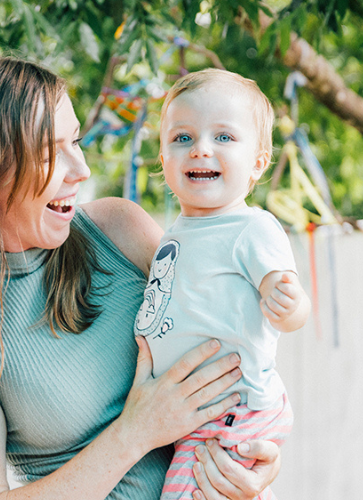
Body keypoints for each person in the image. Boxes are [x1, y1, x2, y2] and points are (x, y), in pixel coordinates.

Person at [0, 56, 283, 500]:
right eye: (47, 153)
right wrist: (135, 432)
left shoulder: (120, 231)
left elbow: (237, 348)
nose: (80, 170)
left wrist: (259, 458)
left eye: (76, 141)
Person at [134, 69, 311, 500]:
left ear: (258, 163)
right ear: (162, 160)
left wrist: (288, 303)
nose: (201, 150)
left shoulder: (250, 228)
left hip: (234, 406)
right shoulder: (176, 232)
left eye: (224, 138)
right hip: (201, 412)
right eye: (182, 138)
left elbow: (288, 295)